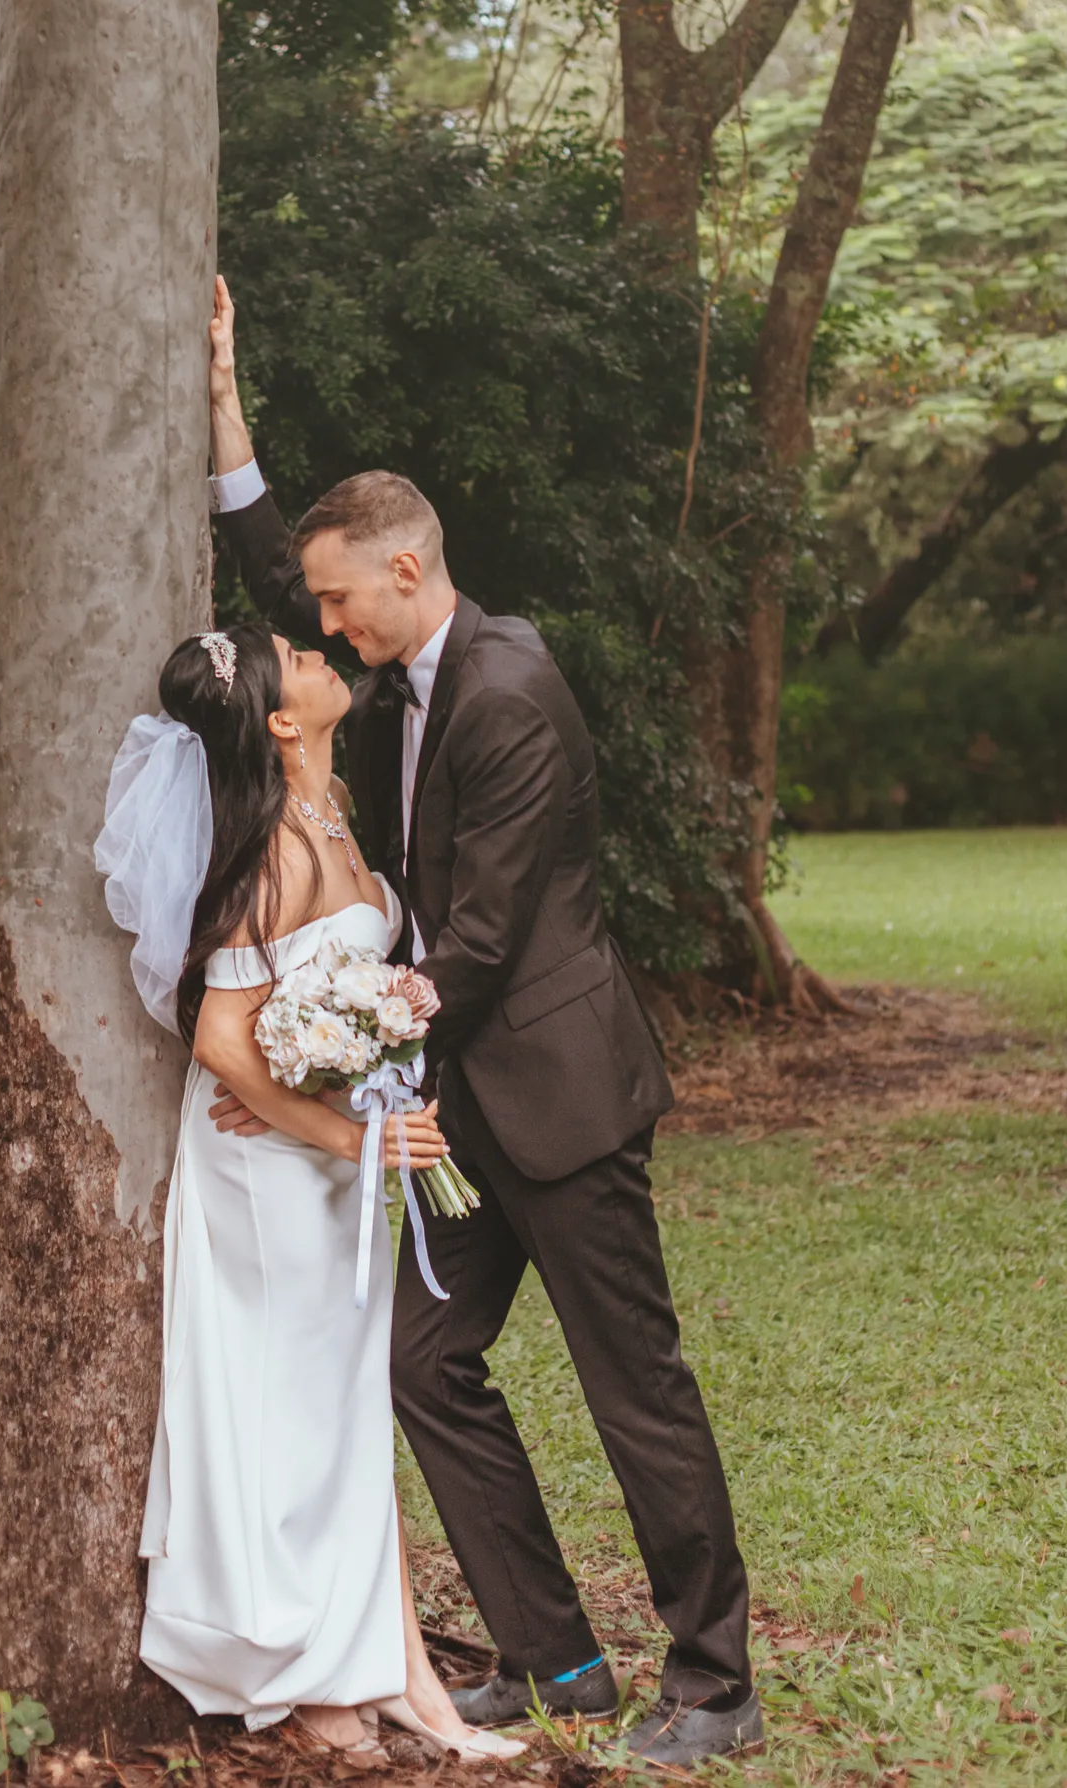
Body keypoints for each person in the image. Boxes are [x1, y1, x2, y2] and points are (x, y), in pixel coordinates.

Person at [203, 275, 763, 1767]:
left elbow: (487, 945)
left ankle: (715, 1683)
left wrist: (323, 1047)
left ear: (402, 568)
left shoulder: (507, 690)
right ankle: (560, 1663)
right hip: (453, 1108)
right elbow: (275, 604)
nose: (320, 624)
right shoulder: (400, 666)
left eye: (338, 601)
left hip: (556, 1097)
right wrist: (223, 421)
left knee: (630, 1388)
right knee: (423, 1367)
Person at [94, 619, 525, 1765]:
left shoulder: (332, 813)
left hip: (332, 1156)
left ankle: (386, 1668)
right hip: (268, 1170)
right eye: (299, 656)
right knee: (283, 1411)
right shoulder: (268, 854)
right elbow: (225, 1044)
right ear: (281, 721)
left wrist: (368, 1087)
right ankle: (296, 1665)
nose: (324, 651)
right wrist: (348, 1132)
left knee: (339, 1413)